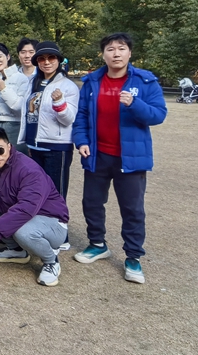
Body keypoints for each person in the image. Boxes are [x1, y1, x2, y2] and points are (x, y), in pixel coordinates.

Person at [72, 33, 167, 284]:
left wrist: (135, 104)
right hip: (97, 155)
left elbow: (158, 115)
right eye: (110, 49)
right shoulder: (92, 81)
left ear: (129, 53)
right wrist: (81, 141)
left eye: (121, 48)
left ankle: (133, 257)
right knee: (92, 202)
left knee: (132, 209)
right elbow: (81, 115)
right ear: (103, 54)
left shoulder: (145, 81)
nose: (116, 53)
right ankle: (97, 244)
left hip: (130, 158)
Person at [0, 127, 69, 287]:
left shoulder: (29, 169)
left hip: (52, 223)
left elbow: (26, 208)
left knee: (22, 231)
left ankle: (51, 261)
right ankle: (17, 250)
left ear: (9, 146)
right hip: (23, 220)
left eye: (0, 150)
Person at [18, 41, 79, 246]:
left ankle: (62, 237)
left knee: (56, 193)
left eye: (51, 58)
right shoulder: (33, 83)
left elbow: (68, 119)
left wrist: (59, 103)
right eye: (42, 59)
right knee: (37, 191)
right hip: (34, 146)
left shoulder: (68, 86)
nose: (46, 62)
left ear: (58, 60)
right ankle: (42, 231)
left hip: (56, 146)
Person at [0, 42, 25, 150]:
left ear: (7, 57)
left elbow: (20, 107)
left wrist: (4, 89)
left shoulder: (21, 78)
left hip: (14, 125)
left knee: (15, 158)